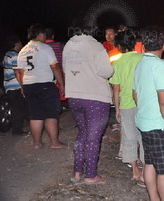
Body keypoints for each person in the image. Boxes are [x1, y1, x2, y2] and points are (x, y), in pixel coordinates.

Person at [63, 25, 114, 184]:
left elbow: (66, 69)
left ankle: (77, 172)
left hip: (74, 96)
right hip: (95, 97)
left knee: (82, 134)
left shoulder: (68, 46)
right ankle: (91, 175)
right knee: (93, 137)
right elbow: (106, 71)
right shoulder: (95, 46)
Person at [133, 28, 164, 201]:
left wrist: (145, 109)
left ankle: (154, 198)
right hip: (159, 126)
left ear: (143, 47)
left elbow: (135, 94)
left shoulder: (140, 64)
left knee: (149, 163)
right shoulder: (160, 66)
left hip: (144, 123)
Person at [16, 24, 65, 149]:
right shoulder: (45, 48)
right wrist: (62, 84)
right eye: (43, 34)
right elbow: (54, 67)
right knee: (51, 113)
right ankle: (54, 142)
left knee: (35, 114)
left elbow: (20, 72)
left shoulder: (23, 50)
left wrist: (23, 86)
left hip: (28, 85)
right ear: (40, 34)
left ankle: (37, 143)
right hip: (45, 84)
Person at [109, 30, 144, 185]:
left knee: (129, 137)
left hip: (126, 105)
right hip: (143, 104)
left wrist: (117, 109)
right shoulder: (142, 59)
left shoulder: (117, 62)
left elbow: (116, 89)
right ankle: (145, 169)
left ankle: (135, 171)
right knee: (144, 137)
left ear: (119, 45)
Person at [2, 36, 28, 135]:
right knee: (18, 109)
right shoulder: (15, 56)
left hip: (9, 86)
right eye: (20, 42)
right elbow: (18, 72)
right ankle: (17, 130)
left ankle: (19, 129)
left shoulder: (7, 55)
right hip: (15, 86)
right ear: (16, 44)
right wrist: (22, 86)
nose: (21, 44)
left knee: (17, 108)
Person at [45, 28, 66, 103]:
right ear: (53, 36)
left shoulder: (42, 47)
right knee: (60, 93)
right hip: (59, 72)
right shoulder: (59, 45)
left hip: (47, 74)